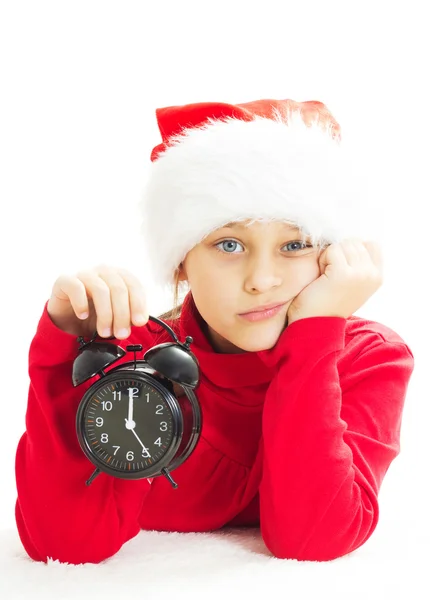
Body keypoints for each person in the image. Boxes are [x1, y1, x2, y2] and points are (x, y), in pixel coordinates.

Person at [15, 98, 415, 565]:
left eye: (295, 244)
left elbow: (313, 541)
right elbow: (64, 546)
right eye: (229, 244)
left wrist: (314, 339)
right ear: (182, 262)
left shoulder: (368, 357)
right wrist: (66, 345)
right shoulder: (134, 354)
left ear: (334, 257)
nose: (262, 280)